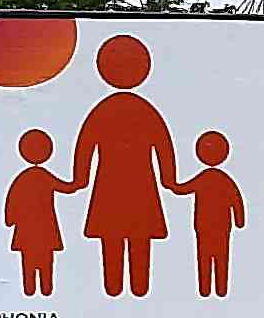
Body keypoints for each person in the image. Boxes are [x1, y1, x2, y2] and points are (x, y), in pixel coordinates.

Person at [72, 34, 176, 298]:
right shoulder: (146, 110)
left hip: (111, 187)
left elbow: (85, 148)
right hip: (139, 187)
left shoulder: (102, 110)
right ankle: (138, 287)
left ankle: (115, 287)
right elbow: (164, 148)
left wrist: (79, 179)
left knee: (114, 238)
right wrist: (169, 180)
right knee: (136, 238)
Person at [168, 129, 244, 297]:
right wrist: (239, 220)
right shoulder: (223, 179)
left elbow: (183, 189)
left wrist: (172, 185)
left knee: (206, 256)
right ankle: (218, 289)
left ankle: (207, 289)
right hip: (216, 226)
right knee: (220, 256)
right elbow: (236, 201)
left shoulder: (206, 178)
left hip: (206, 226)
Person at [2, 128, 76, 297]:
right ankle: (44, 288)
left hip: (28, 229)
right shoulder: (43, 176)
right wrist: (77, 183)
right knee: (44, 260)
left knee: (30, 260)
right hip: (44, 228)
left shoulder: (24, 177)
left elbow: (12, 199)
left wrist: (10, 219)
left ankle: (33, 288)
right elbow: (65, 187)